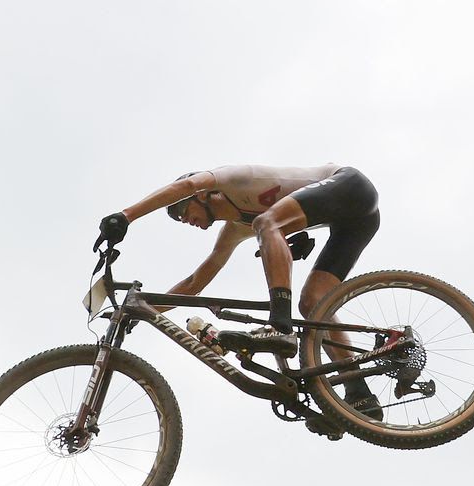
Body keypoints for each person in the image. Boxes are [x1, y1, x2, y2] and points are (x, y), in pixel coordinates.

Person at [95, 163, 382, 414]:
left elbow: (187, 184)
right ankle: (358, 392)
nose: (183, 220)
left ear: (203, 195)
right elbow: (196, 282)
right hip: (355, 222)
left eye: (181, 209)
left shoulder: (231, 178)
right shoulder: (234, 229)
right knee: (312, 304)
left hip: (351, 186)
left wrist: (126, 216)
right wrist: (142, 312)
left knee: (266, 223)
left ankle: (281, 329)